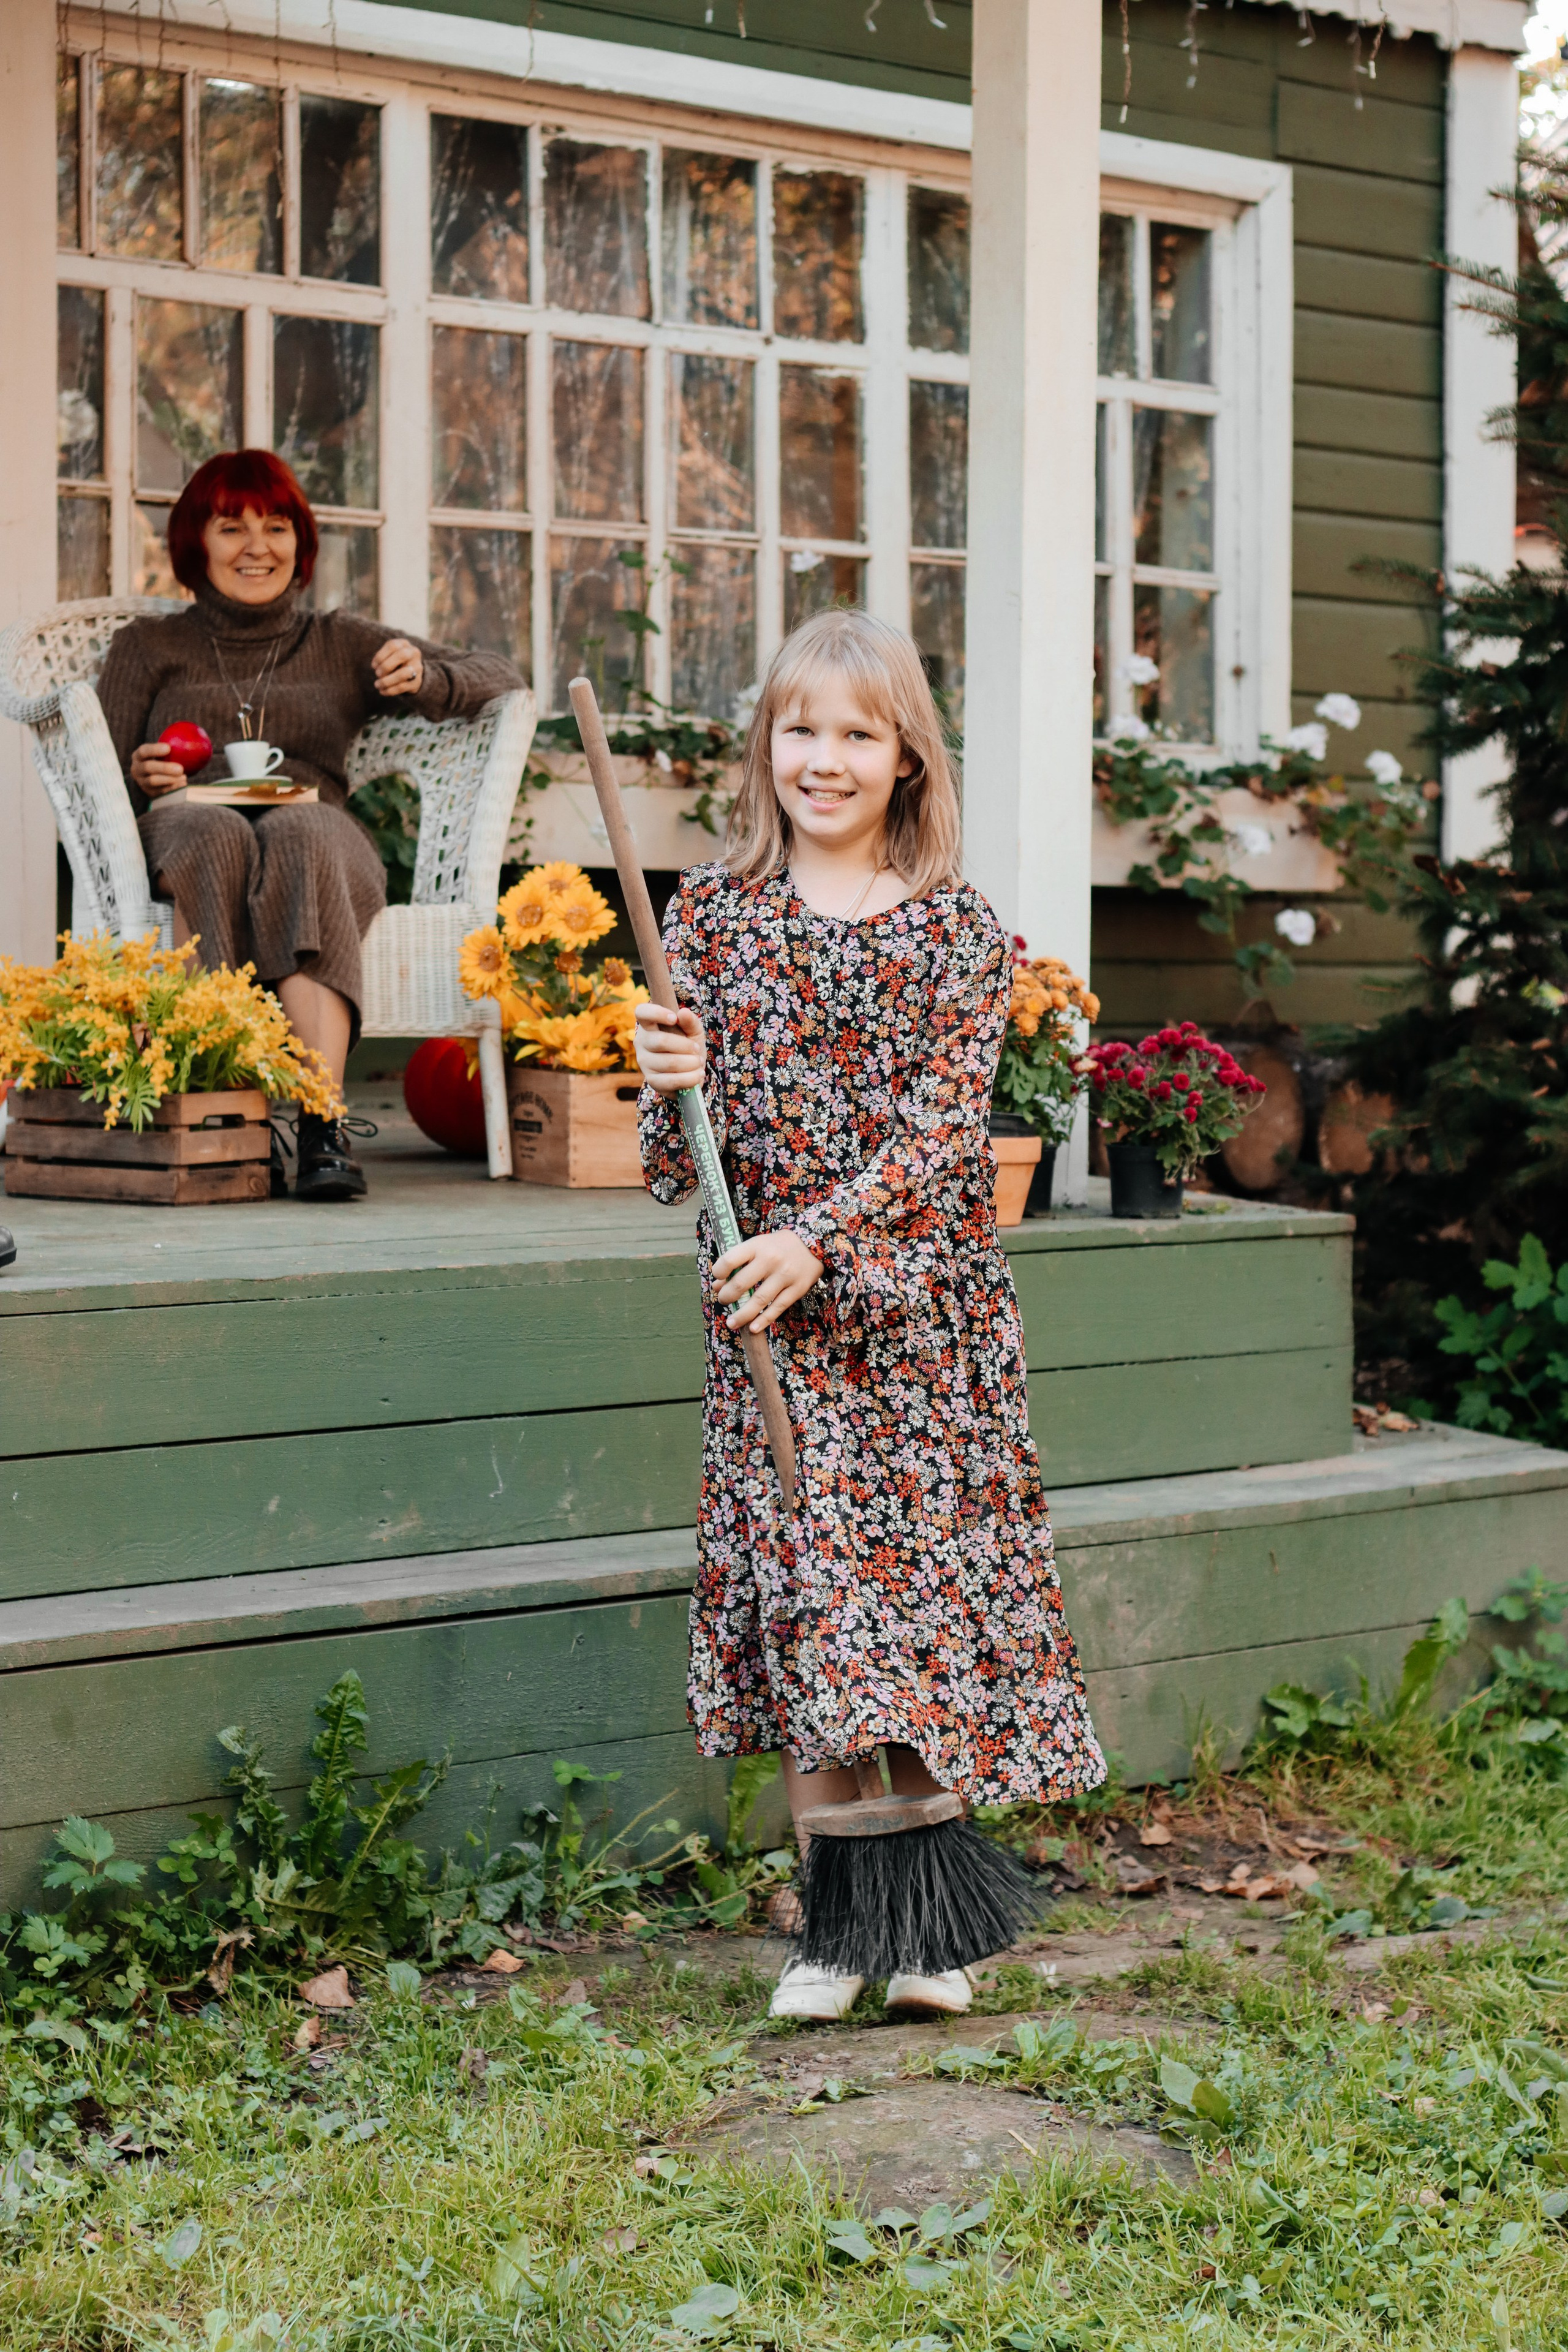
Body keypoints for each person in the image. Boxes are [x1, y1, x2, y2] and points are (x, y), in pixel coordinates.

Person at [635, 609, 1106, 2024]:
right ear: (761, 744)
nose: (822, 759)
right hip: (770, 1327)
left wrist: (811, 1240)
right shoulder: (707, 917)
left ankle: (933, 1927)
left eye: (855, 733)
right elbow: (679, 1172)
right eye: (799, 729)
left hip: (915, 1330)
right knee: (807, 1609)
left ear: (904, 757)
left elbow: (937, 1143)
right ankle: (836, 1930)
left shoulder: (959, 931)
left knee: (910, 1609)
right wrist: (668, 1078)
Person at [97, 449, 522, 1200]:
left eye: (277, 525)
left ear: (302, 543)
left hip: (315, 838)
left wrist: (428, 677)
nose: (257, 547)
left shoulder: (337, 642)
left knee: (307, 830)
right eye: (232, 527)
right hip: (189, 829)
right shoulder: (147, 648)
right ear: (196, 544)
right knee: (219, 836)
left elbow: (502, 677)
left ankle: (322, 1123)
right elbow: (103, 775)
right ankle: (228, 1112)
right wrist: (144, 775)